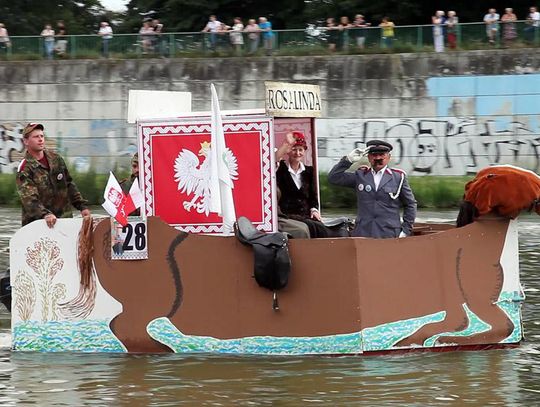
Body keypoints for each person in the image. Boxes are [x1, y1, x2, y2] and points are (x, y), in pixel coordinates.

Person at [328, 140, 416, 238]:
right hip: (363, 233)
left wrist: (406, 230)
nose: (378, 158)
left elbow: (410, 204)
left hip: (389, 233)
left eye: (382, 154)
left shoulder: (398, 177)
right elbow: (333, 178)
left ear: (388, 157)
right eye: (374, 155)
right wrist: (348, 160)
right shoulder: (361, 176)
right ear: (369, 157)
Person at [16, 123, 91, 228]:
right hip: (38, 225)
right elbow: (29, 200)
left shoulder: (56, 159)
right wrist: (45, 214)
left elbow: (69, 185)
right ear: (26, 141)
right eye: (36, 137)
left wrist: (82, 207)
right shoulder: (25, 168)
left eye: (42, 136)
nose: (40, 139)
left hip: (64, 220)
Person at [275, 132, 330, 238]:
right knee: (306, 228)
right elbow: (272, 160)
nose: (297, 153)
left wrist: (314, 210)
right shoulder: (280, 169)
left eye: (301, 150)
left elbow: (313, 196)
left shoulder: (309, 171)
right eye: (294, 149)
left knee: (321, 228)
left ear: (304, 151)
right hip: (287, 216)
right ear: (288, 152)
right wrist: (286, 145)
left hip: (305, 215)